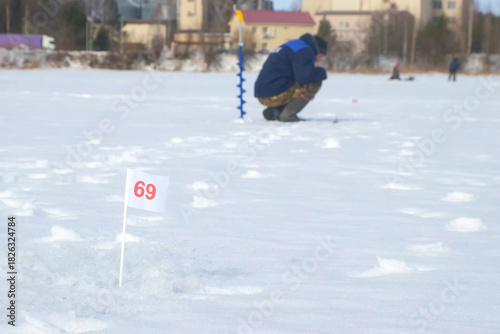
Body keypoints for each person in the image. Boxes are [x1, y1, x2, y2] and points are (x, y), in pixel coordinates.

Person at [254, 33, 328, 122]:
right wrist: (322, 72)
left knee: (296, 81)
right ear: (318, 50)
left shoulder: (294, 45)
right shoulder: (305, 50)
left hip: (263, 94)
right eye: (320, 56)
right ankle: (288, 115)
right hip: (274, 95)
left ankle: (275, 111)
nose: (318, 60)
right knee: (314, 82)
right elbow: (305, 77)